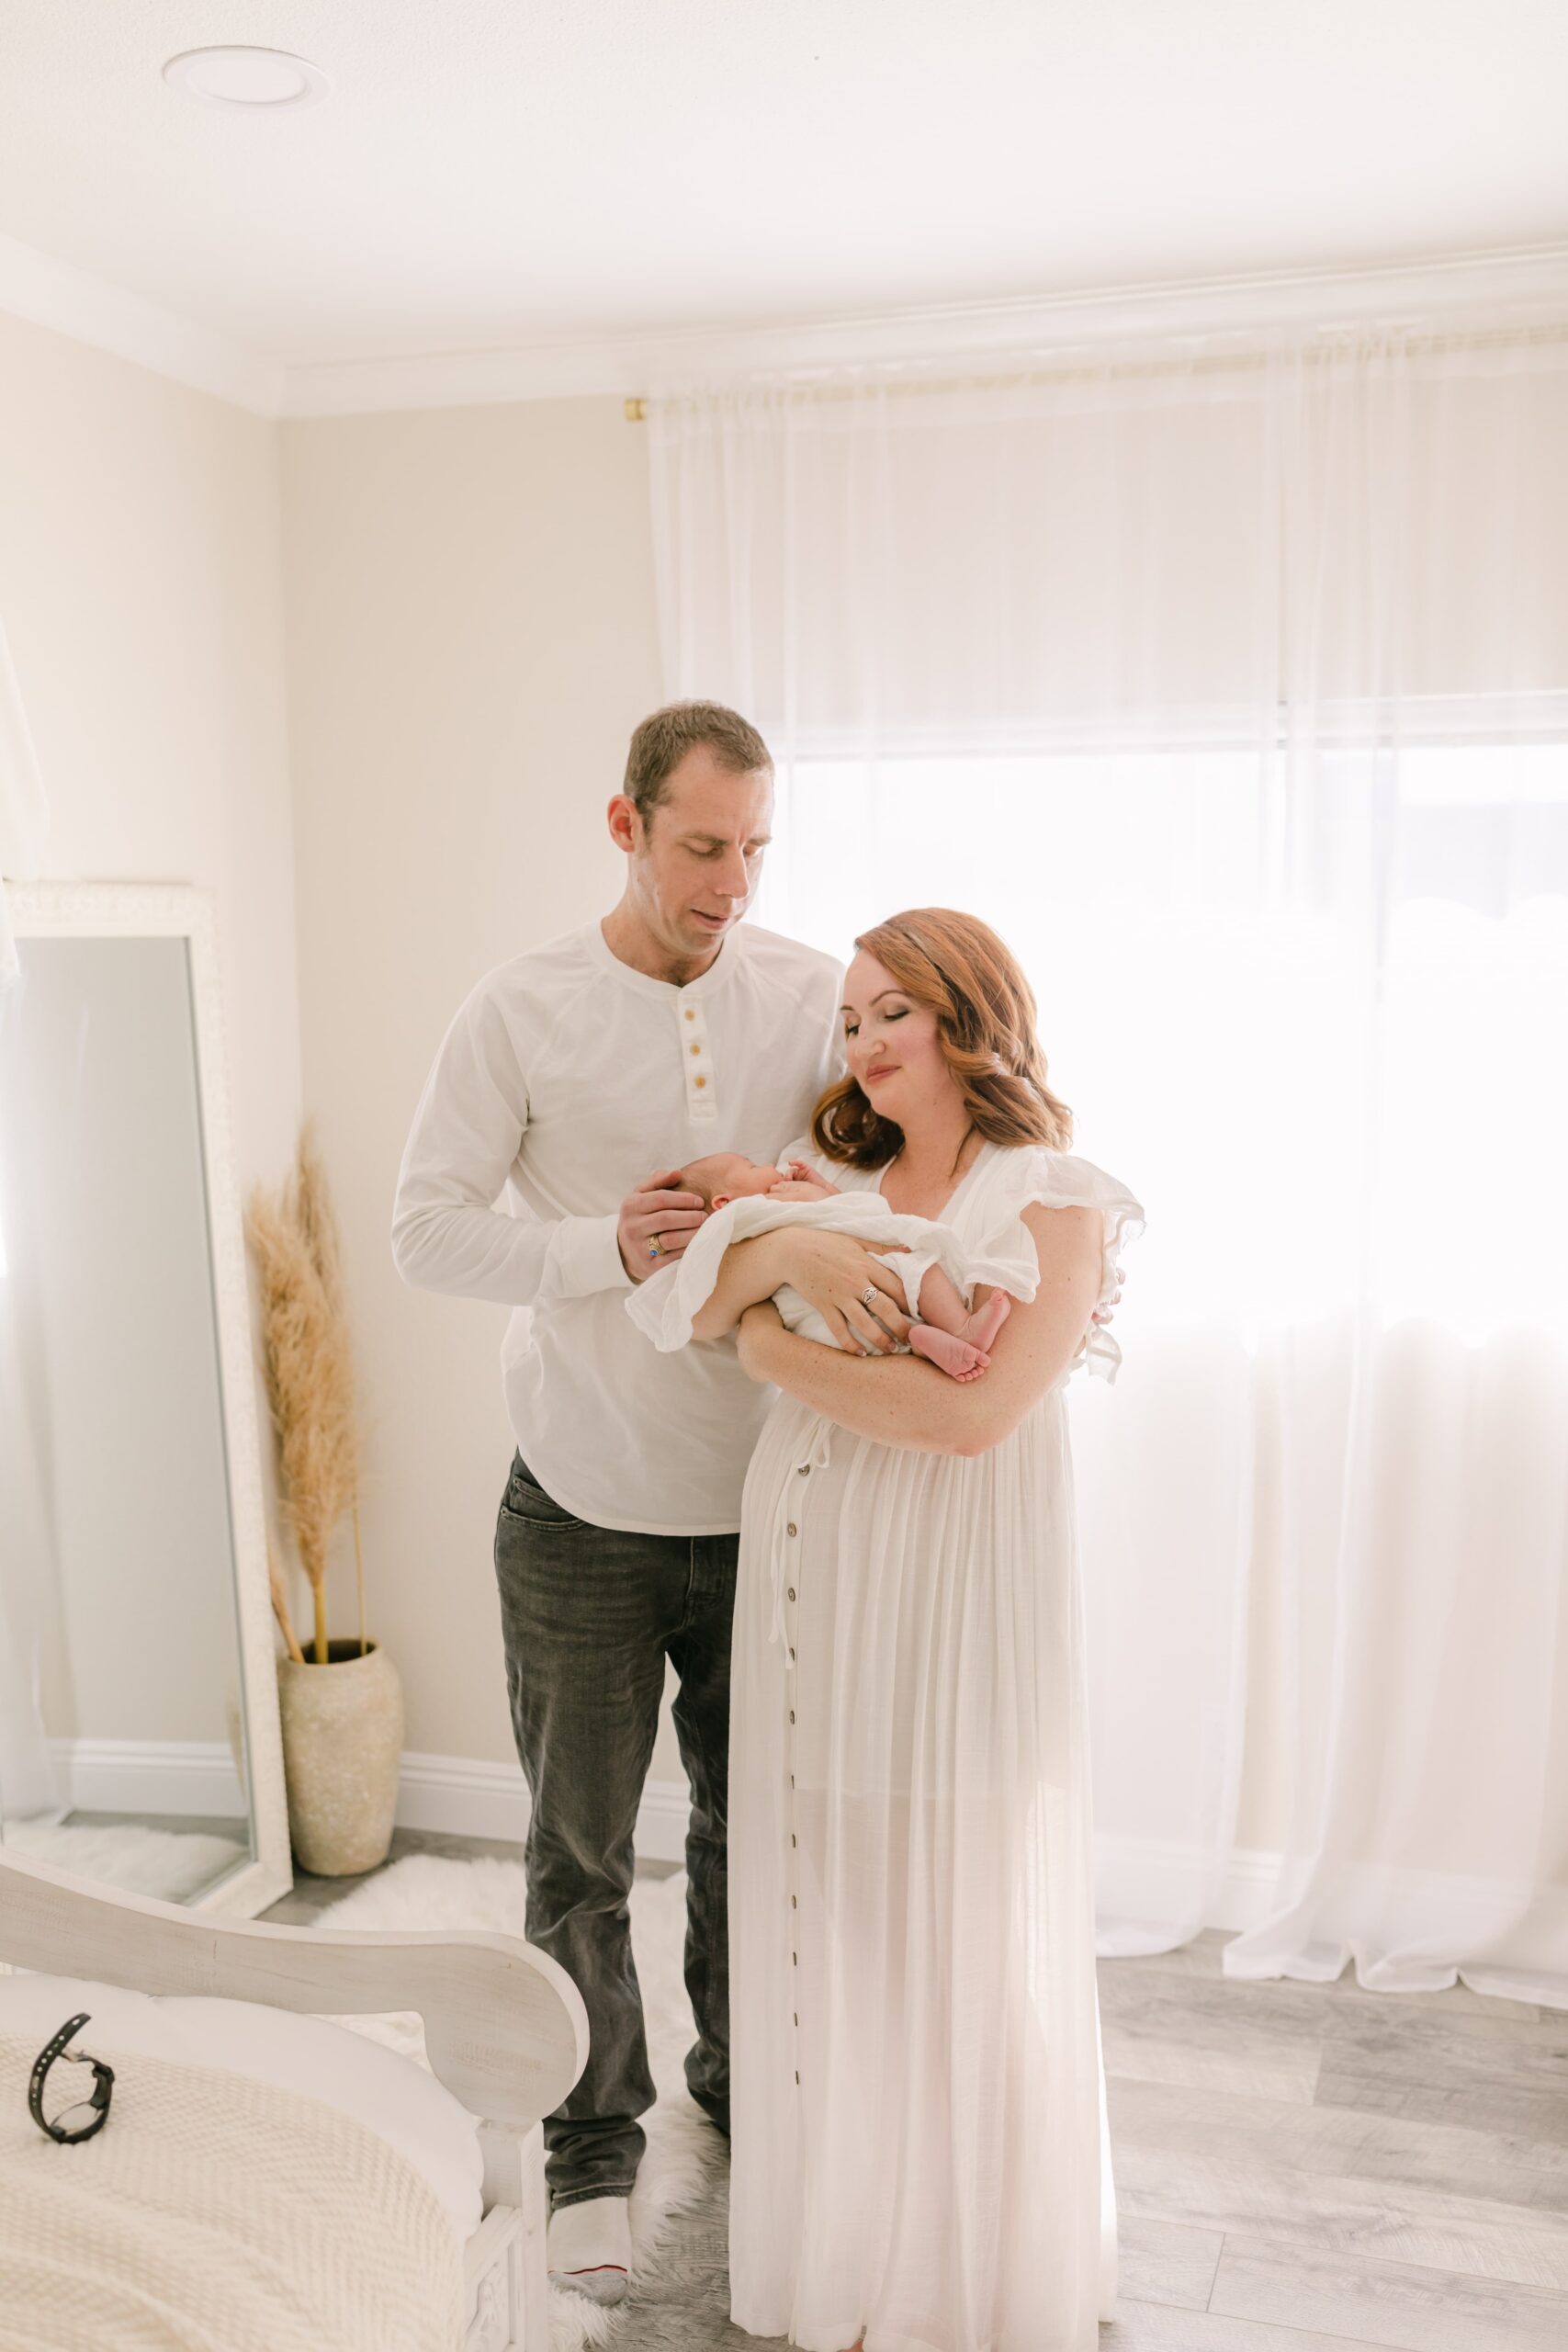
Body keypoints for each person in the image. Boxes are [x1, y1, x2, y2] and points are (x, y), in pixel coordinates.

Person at [389, 703, 924, 2305]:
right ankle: (585, 2145)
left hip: (773, 1496)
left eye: (756, 848)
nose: (732, 882)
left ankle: (748, 2096)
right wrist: (599, 1248)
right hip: (581, 1502)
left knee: (756, 1832)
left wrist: (806, 1209)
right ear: (622, 828)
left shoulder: (817, 991)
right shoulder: (520, 1010)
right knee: (577, 1852)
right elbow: (424, 1232)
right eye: (702, 848)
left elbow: (894, 1174)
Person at [688, 908, 1144, 2352]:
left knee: (956, 1921)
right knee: (839, 1921)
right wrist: (758, 1307)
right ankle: (852, 2246)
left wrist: (764, 1340)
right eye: (849, 1020)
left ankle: (968, 2273)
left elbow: (973, 1416)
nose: (864, 1042)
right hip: (817, 1578)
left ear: (965, 1016)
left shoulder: (1050, 1193)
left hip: (946, 1598)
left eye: (892, 1012)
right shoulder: (831, 1181)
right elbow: (697, 1291)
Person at [628, 1148, 1019, 1380]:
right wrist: (814, 1195)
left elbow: (841, 1213)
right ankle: (960, 1327)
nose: (772, 1167)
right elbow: (846, 1217)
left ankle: (921, 1344)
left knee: (900, 1292)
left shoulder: (759, 1214)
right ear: (724, 1203)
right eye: (753, 1166)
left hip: (827, 1317)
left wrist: (819, 1188)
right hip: (836, 1296)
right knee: (922, 1267)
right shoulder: (752, 1214)